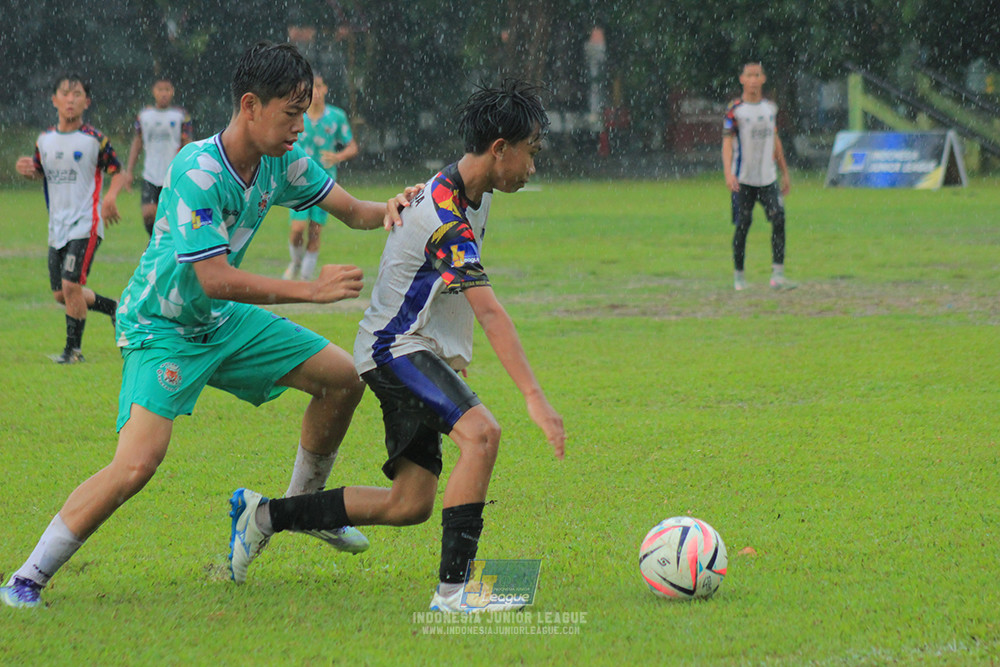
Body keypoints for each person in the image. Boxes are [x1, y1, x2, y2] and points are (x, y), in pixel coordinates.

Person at [0, 42, 420, 609]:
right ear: (251, 105)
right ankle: (26, 577)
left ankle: (299, 509)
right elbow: (214, 277)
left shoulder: (284, 161)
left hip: (220, 322)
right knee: (137, 464)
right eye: (291, 113)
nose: (301, 126)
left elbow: (355, 211)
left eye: (304, 112)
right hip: (160, 327)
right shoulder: (196, 170)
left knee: (343, 379)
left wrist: (396, 205)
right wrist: (310, 291)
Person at [226, 80, 566, 614]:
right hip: (396, 350)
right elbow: (490, 311)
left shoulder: (472, 193)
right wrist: (533, 396)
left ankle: (264, 515)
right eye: (532, 151)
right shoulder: (446, 216)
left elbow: (437, 290)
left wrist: (453, 363)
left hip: (411, 348)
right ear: (500, 147)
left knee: (410, 504)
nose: (533, 165)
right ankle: (454, 596)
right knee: (482, 437)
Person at [15, 73, 126, 364]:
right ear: (54, 100)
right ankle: (114, 307)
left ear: (86, 102)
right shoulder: (45, 140)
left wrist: (111, 197)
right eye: (65, 93)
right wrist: (28, 169)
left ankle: (73, 352)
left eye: (77, 94)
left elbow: (118, 171)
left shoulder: (96, 140)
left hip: (85, 224)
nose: (71, 99)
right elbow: (40, 171)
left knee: (71, 286)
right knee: (60, 294)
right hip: (57, 227)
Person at [722, 62, 794, 291]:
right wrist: (728, 173)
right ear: (742, 79)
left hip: (767, 179)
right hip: (743, 180)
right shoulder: (735, 110)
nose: (753, 79)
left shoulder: (770, 109)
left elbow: (775, 141)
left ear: (763, 79)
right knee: (743, 224)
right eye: (749, 75)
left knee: (779, 217)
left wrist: (785, 172)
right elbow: (726, 144)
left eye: (757, 75)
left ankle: (778, 276)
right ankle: (739, 277)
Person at [283, 73, 358, 281]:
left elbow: (352, 147)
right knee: (297, 230)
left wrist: (338, 156)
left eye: (318, 87)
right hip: (298, 180)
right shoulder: (298, 115)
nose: (315, 92)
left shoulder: (336, 116)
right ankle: (296, 262)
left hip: (325, 182)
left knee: (315, 231)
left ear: (325, 89)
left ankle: (306, 279)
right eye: (310, 88)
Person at [123, 77, 193, 236]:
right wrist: (129, 170)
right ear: (153, 92)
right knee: (148, 214)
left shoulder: (180, 115)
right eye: (160, 90)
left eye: (167, 90)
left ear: (172, 92)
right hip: (151, 174)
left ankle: (166, 244)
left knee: (173, 215)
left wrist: (190, 167)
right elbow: (138, 142)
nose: (164, 94)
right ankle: (156, 240)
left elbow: (187, 142)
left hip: (173, 174)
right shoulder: (144, 115)